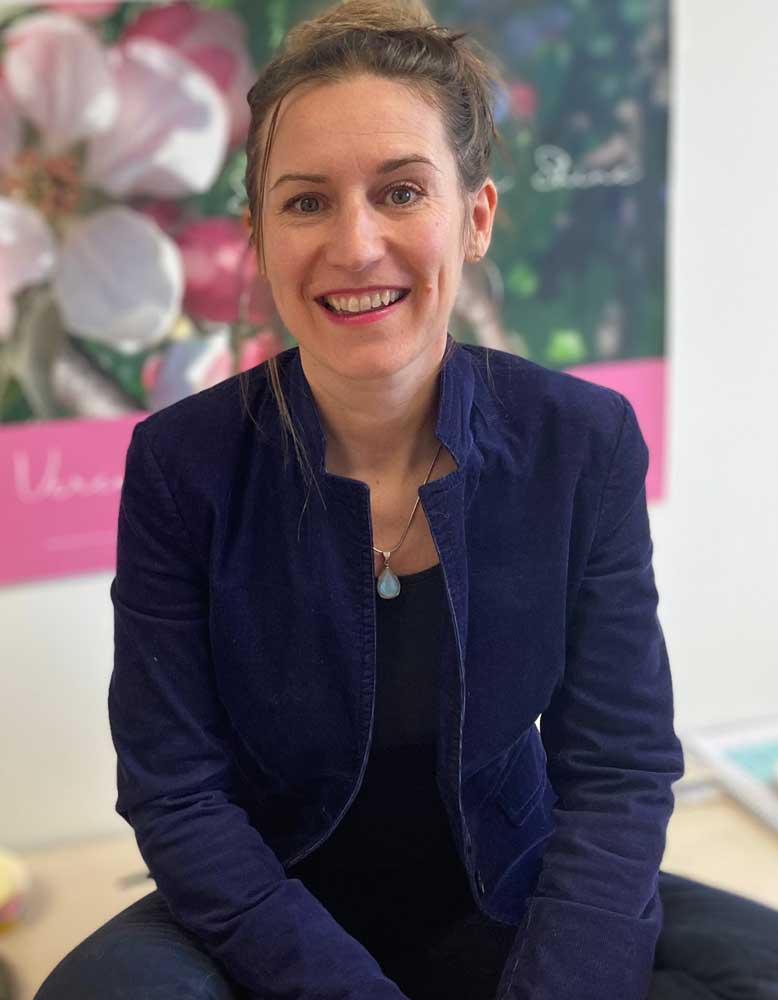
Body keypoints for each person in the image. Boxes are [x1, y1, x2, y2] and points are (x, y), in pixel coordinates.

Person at [35, 2, 778, 999]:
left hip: (509, 883)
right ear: (256, 236)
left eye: (400, 192)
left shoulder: (581, 442)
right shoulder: (182, 464)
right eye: (306, 202)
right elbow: (178, 796)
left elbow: (616, 772)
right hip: (267, 904)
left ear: (475, 219)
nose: (355, 245)